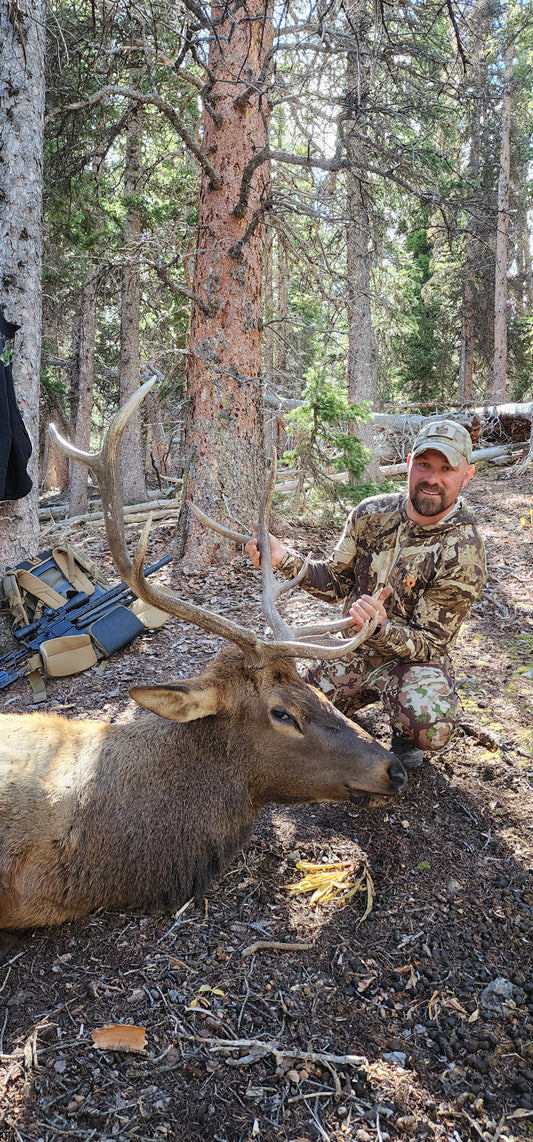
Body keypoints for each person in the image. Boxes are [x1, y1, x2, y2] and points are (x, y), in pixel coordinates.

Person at [245, 419, 487, 770]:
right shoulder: (370, 514)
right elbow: (334, 581)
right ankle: (345, 722)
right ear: (409, 463)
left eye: (446, 469)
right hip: (349, 649)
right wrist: (284, 559)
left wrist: (380, 628)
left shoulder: (465, 549)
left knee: (429, 724)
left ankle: (403, 732)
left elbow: (431, 644)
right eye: (424, 465)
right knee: (288, 708)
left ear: (467, 475)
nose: (432, 479)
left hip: (411, 662)